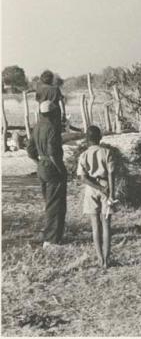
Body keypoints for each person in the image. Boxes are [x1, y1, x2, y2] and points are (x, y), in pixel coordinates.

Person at [27, 100, 67, 248]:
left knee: (49, 203)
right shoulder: (52, 128)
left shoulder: (37, 127)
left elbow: (30, 150)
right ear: (53, 113)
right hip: (51, 167)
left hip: (42, 168)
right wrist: (60, 169)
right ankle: (51, 240)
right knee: (55, 204)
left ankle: (48, 235)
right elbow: (52, 153)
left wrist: (39, 163)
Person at [77, 126, 116, 268]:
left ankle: (100, 259)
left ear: (87, 139)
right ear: (100, 137)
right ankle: (107, 259)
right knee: (106, 226)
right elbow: (111, 174)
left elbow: (83, 178)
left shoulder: (83, 155)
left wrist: (97, 187)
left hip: (91, 189)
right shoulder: (107, 152)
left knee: (95, 226)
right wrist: (111, 192)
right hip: (106, 186)